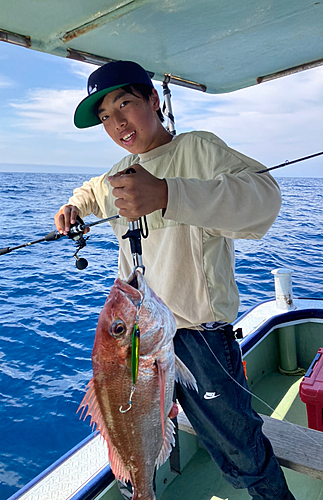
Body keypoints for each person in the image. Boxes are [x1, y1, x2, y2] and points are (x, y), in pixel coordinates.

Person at [54, 60, 295, 500]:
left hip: (199, 340)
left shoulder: (198, 151)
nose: (117, 122)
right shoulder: (119, 174)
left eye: (125, 104)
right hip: (139, 342)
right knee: (134, 439)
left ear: (153, 99)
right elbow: (92, 191)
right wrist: (74, 207)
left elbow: (265, 200)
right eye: (105, 116)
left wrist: (168, 194)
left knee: (240, 449)